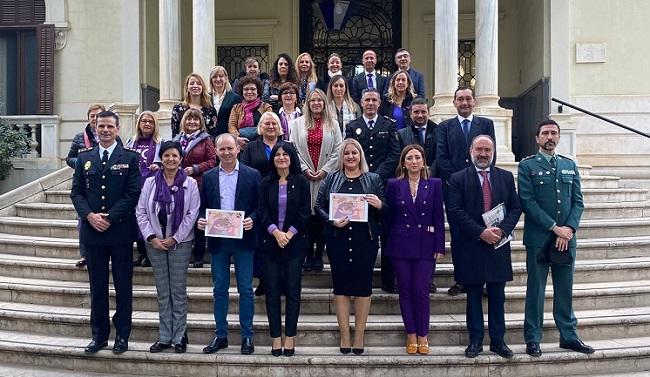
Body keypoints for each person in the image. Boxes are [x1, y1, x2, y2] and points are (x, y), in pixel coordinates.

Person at [518, 119, 593, 357]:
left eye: (554, 133)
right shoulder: (527, 166)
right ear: (537, 138)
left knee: (565, 288)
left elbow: (578, 201)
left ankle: (569, 336)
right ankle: (533, 337)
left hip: (566, 239)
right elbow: (527, 202)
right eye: (545, 133)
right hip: (539, 239)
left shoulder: (569, 165)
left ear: (559, 138)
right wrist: (554, 228)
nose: (550, 137)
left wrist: (568, 229)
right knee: (536, 290)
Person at [70, 110, 141, 354]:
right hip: (92, 233)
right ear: (95, 127)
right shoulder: (84, 157)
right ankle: (99, 336)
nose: (105, 130)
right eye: (101, 126)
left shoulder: (130, 158)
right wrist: (90, 216)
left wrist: (110, 217)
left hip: (119, 231)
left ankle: (122, 335)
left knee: (123, 287)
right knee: (97, 287)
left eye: (110, 126)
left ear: (117, 129)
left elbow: (133, 193)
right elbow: (76, 192)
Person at [447, 135, 522, 359]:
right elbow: (455, 211)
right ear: (471, 151)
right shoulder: (458, 178)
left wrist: (502, 231)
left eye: (487, 150)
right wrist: (481, 232)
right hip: (472, 245)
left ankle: (498, 341)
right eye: (479, 149)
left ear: (493, 152)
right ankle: (475, 341)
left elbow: (515, 207)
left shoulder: (506, 177)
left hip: (498, 245)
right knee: (473, 297)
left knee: (498, 296)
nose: (482, 154)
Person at [314, 138, 386, 355]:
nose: (351, 157)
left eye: (354, 153)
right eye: (347, 154)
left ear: (360, 155)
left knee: (364, 287)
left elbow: (386, 207)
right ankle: (345, 334)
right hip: (338, 238)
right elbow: (318, 206)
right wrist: (331, 220)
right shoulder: (332, 179)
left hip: (366, 239)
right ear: (341, 157)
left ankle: (359, 335)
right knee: (341, 286)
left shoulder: (373, 179)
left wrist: (379, 203)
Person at [198, 133, 261, 356]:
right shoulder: (208, 176)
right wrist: (202, 218)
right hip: (218, 239)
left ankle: (247, 337)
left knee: (245, 289)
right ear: (216, 151)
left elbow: (259, 206)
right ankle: (221, 335)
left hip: (244, 239)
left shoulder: (252, 175)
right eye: (222, 149)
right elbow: (203, 206)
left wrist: (252, 218)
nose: (226, 153)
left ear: (237, 150)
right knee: (220, 290)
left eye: (230, 149)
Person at [135, 141, 200, 354]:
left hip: (180, 243)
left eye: (175, 156)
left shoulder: (190, 183)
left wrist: (175, 238)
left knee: (178, 291)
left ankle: (180, 336)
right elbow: (141, 212)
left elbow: (192, 214)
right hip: (155, 243)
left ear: (181, 159)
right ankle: (164, 336)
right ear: (160, 159)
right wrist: (151, 237)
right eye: (166, 156)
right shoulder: (150, 183)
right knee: (163, 291)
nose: (171, 159)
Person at [384, 144, 444, 355]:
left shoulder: (434, 184)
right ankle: (411, 333)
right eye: (409, 158)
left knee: (421, 290)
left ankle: (423, 334)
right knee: (405, 291)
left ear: (423, 161)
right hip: (401, 244)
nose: (414, 161)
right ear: (403, 162)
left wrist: (439, 245)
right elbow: (389, 216)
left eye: (418, 157)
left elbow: (438, 216)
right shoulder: (394, 185)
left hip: (425, 244)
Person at [436, 86, 496, 297]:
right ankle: (461, 279)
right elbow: (441, 158)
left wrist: (475, 179)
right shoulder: (444, 127)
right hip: (454, 191)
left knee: (484, 233)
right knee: (460, 236)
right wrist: (461, 181)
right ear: (454, 102)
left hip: (483, 188)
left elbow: (491, 155)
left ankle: (486, 278)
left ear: (474, 102)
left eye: (468, 99)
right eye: (460, 99)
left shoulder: (486, 124)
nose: (464, 103)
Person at [257, 142, 311, 357]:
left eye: (285, 154)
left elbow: (306, 211)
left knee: (292, 291)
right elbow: (261, 211)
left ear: (291, 158)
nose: (281, 157)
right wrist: (275, 232)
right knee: (271, 292)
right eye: (277, 154)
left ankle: (290, 336)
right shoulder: (265, 182)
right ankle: (275, 337)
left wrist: (289, 233)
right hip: (271, 243)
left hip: (294, 243)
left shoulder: (301, 182)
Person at [345, 88, 401, 293]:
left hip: (383, 186)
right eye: (367, 99)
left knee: (386, 232)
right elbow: (348, 152)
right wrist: (363, 175)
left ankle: (388, 280)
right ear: (361, 102)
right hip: (357, 185)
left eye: (374, 100)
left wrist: (375, 175)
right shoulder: (352, 127)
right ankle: (357, 279)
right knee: (360, 233)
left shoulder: (389, 125)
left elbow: (394, 154)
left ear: (379, 103)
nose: (370, 103)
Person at [289, 88, 342, 272]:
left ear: (324, 103)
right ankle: (307, 256)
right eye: (313, 100)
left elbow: (338, 149)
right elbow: (293, 148)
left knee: (320, 217)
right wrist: (304, 169)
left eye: (320, 100)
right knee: (305, 217)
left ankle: (318, 255)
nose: (316, 103)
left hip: (324, 177)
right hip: (304, 177)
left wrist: (325, 170)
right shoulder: (297, 124)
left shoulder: (333, 124)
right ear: (307, 103)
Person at [239, 111, 283, 295]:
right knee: (261, 243)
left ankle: (280, 280)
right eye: (267, 123)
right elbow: (244, 171)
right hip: (258, 199)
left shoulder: (285, 146)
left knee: (279, 240)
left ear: (279, 127)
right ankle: (264, 279)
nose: (271, 126)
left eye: (274, 123)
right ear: (261, 127)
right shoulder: (251, 147)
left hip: (281, 200)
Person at [66, 103, 110, 268]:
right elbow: (69, 158)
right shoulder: (79, 137)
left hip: (105, 184)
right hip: (86, 183)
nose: (95, 118)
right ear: (89, 118)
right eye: (92, 115)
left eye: (98, 115)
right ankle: (85, 255)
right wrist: (82, 163)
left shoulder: (111, 136)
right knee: (83, 220)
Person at [173, 108, 217, 268]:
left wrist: (195, 168)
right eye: (189, 119)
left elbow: (213, 161)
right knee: (180, 219)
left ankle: (198, 255)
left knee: (198, 219)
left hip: (198, 185)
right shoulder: (176, 140)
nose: (192, 122)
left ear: (201, 122)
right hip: (178, 185)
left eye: (196, 119)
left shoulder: (206, 140)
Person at [127, 111, 163, 268]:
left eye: (151, 121)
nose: (147, 124)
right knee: (136, 220)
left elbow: (168, 160)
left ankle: (150, 254)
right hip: (133, 185)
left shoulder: (160, 142)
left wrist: (159, 166)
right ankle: (141, 252)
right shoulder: (131, 142)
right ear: (139, 124)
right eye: (144, 121)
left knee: (149, 218)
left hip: (151, 186)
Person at [397, 97, 438, 174]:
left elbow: (439, 156)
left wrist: (429, 172)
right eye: (416, 112)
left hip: (434, 177)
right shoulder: (401, 135)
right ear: (410, 114)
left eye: (423, 112)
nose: (420, 115)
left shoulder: (438, 132)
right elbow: (400, 159)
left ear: (429, 113)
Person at [171, 73, 218, 138]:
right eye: (192, 83)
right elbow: (175, 133)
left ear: (202, 88)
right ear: (187, 87)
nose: (195, 86)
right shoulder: (178, 108)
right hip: (183, 146)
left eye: (198, 84)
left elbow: (213, 134)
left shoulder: (210, 110)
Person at [228, 76, 273, 144]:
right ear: (242, 91)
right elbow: (232, 126)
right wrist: (237, 138)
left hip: (261, 143)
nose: (249, 92)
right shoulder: (236, 108)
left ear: (258, 91)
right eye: (246, 89)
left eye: (252, 89)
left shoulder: (266, 107)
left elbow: (268, 125)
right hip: (240, 143)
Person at [208, 65, 242, 137]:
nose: (218, 79)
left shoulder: (235, 98)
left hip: (227, 137)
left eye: (221, 76)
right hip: (209, 137)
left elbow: (237, 121)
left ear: (226, 78)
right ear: (211, 79)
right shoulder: (206, 97)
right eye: (215, 77)